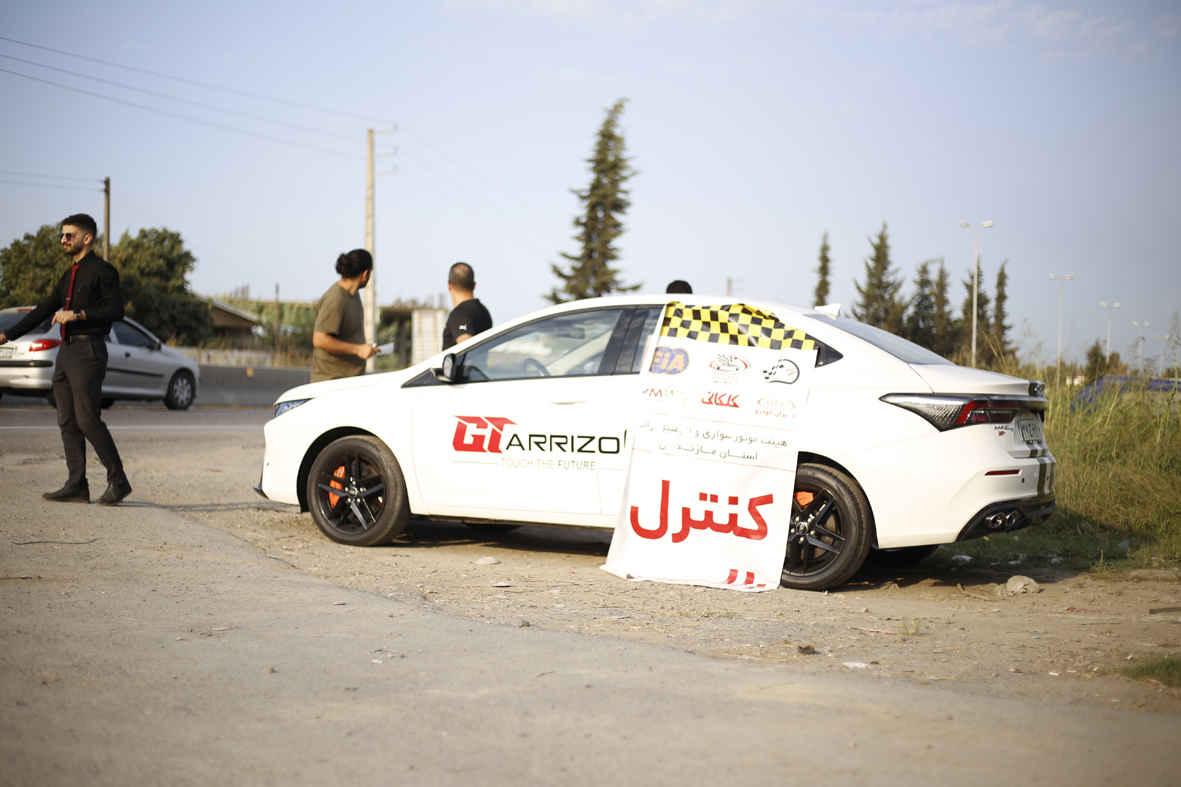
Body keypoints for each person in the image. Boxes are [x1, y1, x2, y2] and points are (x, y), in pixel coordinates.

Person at [0, 214, 131, 505]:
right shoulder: (69, 275)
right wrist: (7, 335)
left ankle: (119, 480)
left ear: (87, 238)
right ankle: (76, 484)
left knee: (87, 419)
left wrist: (79, 314)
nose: (63, 240)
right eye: (61, 235)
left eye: (69, 235)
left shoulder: (103, 271)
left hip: (89, 350)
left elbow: (116, 310)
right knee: (67, 419)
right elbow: (43, 310)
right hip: (67, 351)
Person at [311, 249, 379, 383]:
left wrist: (365, 348)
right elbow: (320, 339)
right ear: (365, 274)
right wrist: (358, 350)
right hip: (331, 383)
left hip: (349, 380)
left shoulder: (353, 295)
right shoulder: (336, 298)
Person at [442, 261, 492, 350]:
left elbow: (466, 347)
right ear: (474, 285)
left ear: (449, 285)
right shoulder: (484, 311)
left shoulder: (459, 314)